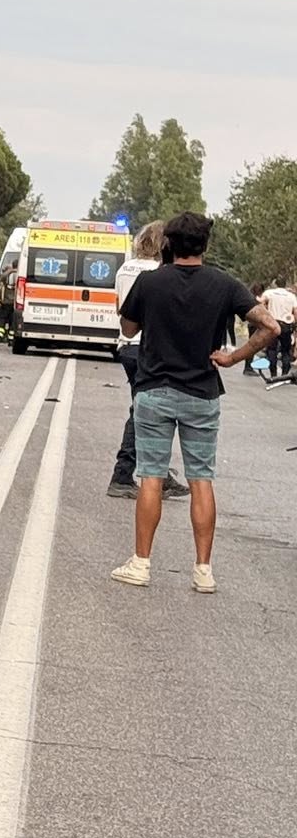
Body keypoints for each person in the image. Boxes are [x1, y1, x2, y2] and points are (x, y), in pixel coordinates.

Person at [109, 212, 279, 594]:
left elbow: (128, 328)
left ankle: (141, 563)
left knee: (151, 475)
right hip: (202, 393)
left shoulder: (149, 282)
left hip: (154, 390)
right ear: (205, 245)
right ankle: (203, 570)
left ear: (168, 243)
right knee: (201, 479)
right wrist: (233, 358)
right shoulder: (224, 284)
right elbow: (271, 326)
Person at [105, 223, 186, 501]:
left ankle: (159, 476)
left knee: (146, 411)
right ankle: (123, 474)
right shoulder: (156, 273)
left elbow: (121, 309)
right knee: (145, 413)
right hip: (148, 348)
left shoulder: (124, 269)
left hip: (126, 346)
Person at [261, 276, 296, 385]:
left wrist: (265, 316)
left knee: (271, 350)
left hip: (272, 323)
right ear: (285, 284)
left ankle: (273, 374)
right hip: (286, 324)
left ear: (275, 283)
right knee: (286, 350)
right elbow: (295, 311)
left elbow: (261, 304)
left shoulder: (269, 293)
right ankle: (285, 375)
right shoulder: (291, 296)